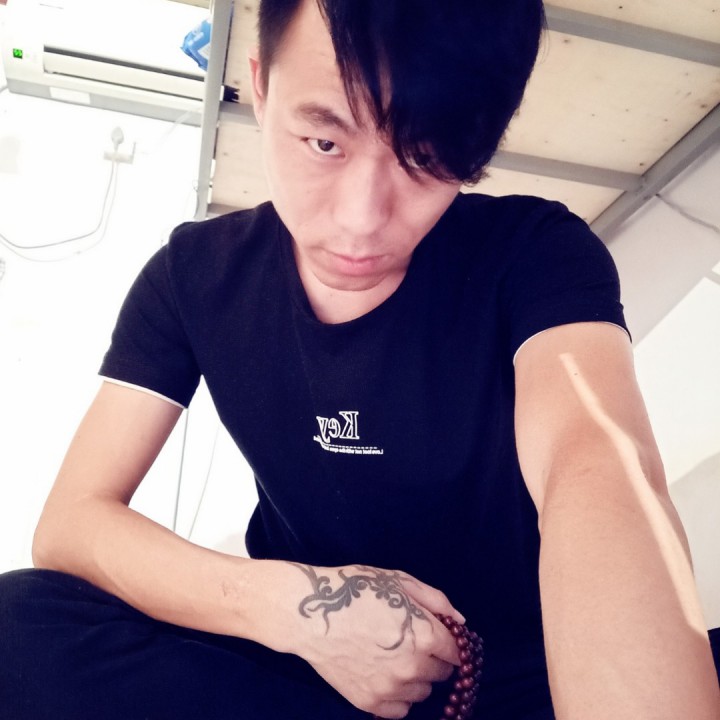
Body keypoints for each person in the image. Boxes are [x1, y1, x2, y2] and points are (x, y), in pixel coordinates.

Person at [1, 0, 719, 718]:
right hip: (303, 672)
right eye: (324, 142)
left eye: (425, 158)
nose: (361, 220)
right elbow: (71, 523)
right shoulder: (192, 276)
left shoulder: (535, 252)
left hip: (524, 680)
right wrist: (295, 610)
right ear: (261, 85)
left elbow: (594, 461)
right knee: (20, 627)